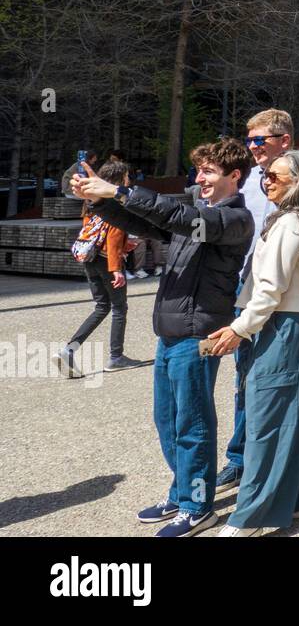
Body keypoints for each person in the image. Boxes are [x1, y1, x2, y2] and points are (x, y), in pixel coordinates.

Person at [72, 137, 255, 537]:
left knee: (192, 423)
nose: (200, 178)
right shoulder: (197, 214)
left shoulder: (234, 220)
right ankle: (181, 491)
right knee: (167, 420)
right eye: (198, 170)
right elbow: (146, 222)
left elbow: (173, 215)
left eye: (209, 171)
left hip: (200, 335)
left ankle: (198, 506)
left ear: (235, 176)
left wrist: (119, 189)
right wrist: (100, 201)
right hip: (170, 333)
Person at [215, 109, 299, 503]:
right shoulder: (250, 178)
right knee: (247, 376)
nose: (251, 148)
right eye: (249, 140)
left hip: (295, 292)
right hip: (249, 286)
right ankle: (243, 457)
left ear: (284, 140)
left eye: (259, 140)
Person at [205, 151, 299, 536]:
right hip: (288, 324)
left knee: (266, 420)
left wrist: (239, 329)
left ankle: (252, 516)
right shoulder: (297, 220)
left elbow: (269, 289)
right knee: (289, 415)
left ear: (298, 182)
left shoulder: (291, 223)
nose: (266, 181)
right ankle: (295, 501)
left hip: (279, 325)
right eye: (266, 176)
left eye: (275, 176)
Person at [59, 161, 145, 375]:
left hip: (90, 257)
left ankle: (69, 350)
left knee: (101, 306)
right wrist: (117, 268)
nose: (129, 180)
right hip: (108, 260)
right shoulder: (113, 201)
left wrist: (126, 244)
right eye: (126, 177)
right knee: (119, 308)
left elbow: (96, 232)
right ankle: (116, 357)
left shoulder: (91, 199)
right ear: (119, 179)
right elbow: (113, 235)